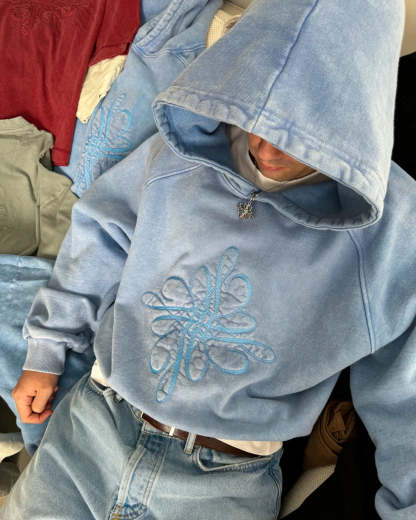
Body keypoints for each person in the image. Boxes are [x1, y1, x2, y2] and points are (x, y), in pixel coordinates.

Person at [2, 0, 415, 519]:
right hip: (93, 425)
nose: (266, 148)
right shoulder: (180, 152)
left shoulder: (392, 231)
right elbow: (99, 233)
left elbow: (406, 389)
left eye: (298, 135)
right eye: (254, 115)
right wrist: (47, 351)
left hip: (222, 482)